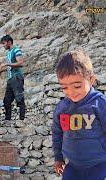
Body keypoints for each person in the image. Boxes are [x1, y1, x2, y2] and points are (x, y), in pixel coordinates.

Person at [52, 49, 106, 179]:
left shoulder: (100, 104)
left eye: (77, 86)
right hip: (73, 167)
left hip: (99, 166)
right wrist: (58, 158)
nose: (71, 92)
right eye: (64, 87)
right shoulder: (62, 107)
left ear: (91, 79)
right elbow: (57, 133)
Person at [0, 35, 25, 120]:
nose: (3, 46)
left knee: (19, 98)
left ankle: (22, 120)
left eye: (4, 43)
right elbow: (10, 67)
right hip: (10, 79)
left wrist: (7, 64)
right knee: (6, 101)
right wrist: (1, 70)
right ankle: (7, 121)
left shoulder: (16, 50)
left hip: (17, 77)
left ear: (9, 42)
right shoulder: (8, 53)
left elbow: (21, 63)